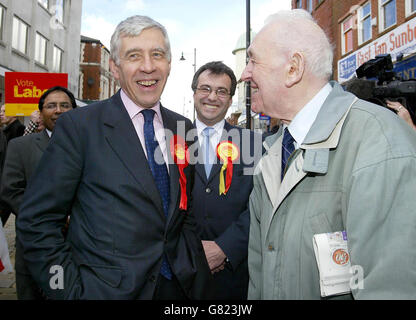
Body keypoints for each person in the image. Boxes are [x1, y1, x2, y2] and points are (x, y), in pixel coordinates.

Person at [16, 15, 211, 300]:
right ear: (114, 68)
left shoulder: (184, 128)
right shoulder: (79, 126)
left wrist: (194, 264)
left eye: (157, 54)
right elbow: (37, 221)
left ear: (168, 64)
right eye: (134, 55)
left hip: (181, 288)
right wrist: (67, 291)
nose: (148, 66)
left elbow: (185, 210)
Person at [240, 9, 416, 300]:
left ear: (293, 69)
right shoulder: (272, 153)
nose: (245, 73)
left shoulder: (378, 141)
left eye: (253, 60)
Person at [190, 61, 262, 300]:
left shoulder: (252, 144)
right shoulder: (173, 140)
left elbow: (260, 204)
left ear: (230, 100)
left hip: (234, 275)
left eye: (222, 91)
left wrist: (225, 248)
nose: (213, 97)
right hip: (183, 270)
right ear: (194, 93)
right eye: (205, 88)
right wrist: (190, 250)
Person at [0, 86, 76, 300]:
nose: (58, 110)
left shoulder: (91, 146)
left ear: (75, 110)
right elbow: (11, 191)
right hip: (35, 242)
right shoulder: (20, 147)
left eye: (65, 105)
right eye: (51, 106)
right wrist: (48, 217)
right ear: (41, 112)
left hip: (78, 244)